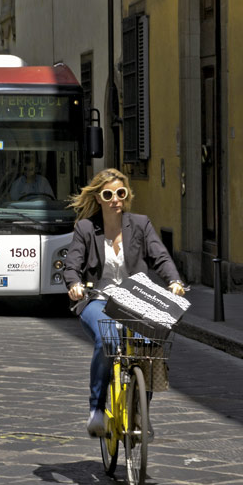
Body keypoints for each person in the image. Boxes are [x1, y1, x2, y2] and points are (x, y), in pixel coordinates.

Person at [64, 168, 185, 439]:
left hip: (135, 298)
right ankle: (96, 409)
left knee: (148, 343)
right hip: (98, 299)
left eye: (121, 193)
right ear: (98, 198)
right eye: (109, 194)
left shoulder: (140, 224)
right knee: (107, 338)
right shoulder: (86, 228)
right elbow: (72, 265)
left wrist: (174, 281)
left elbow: (160, 257)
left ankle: (141, 410)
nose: (115, 199)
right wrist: (74, 285)